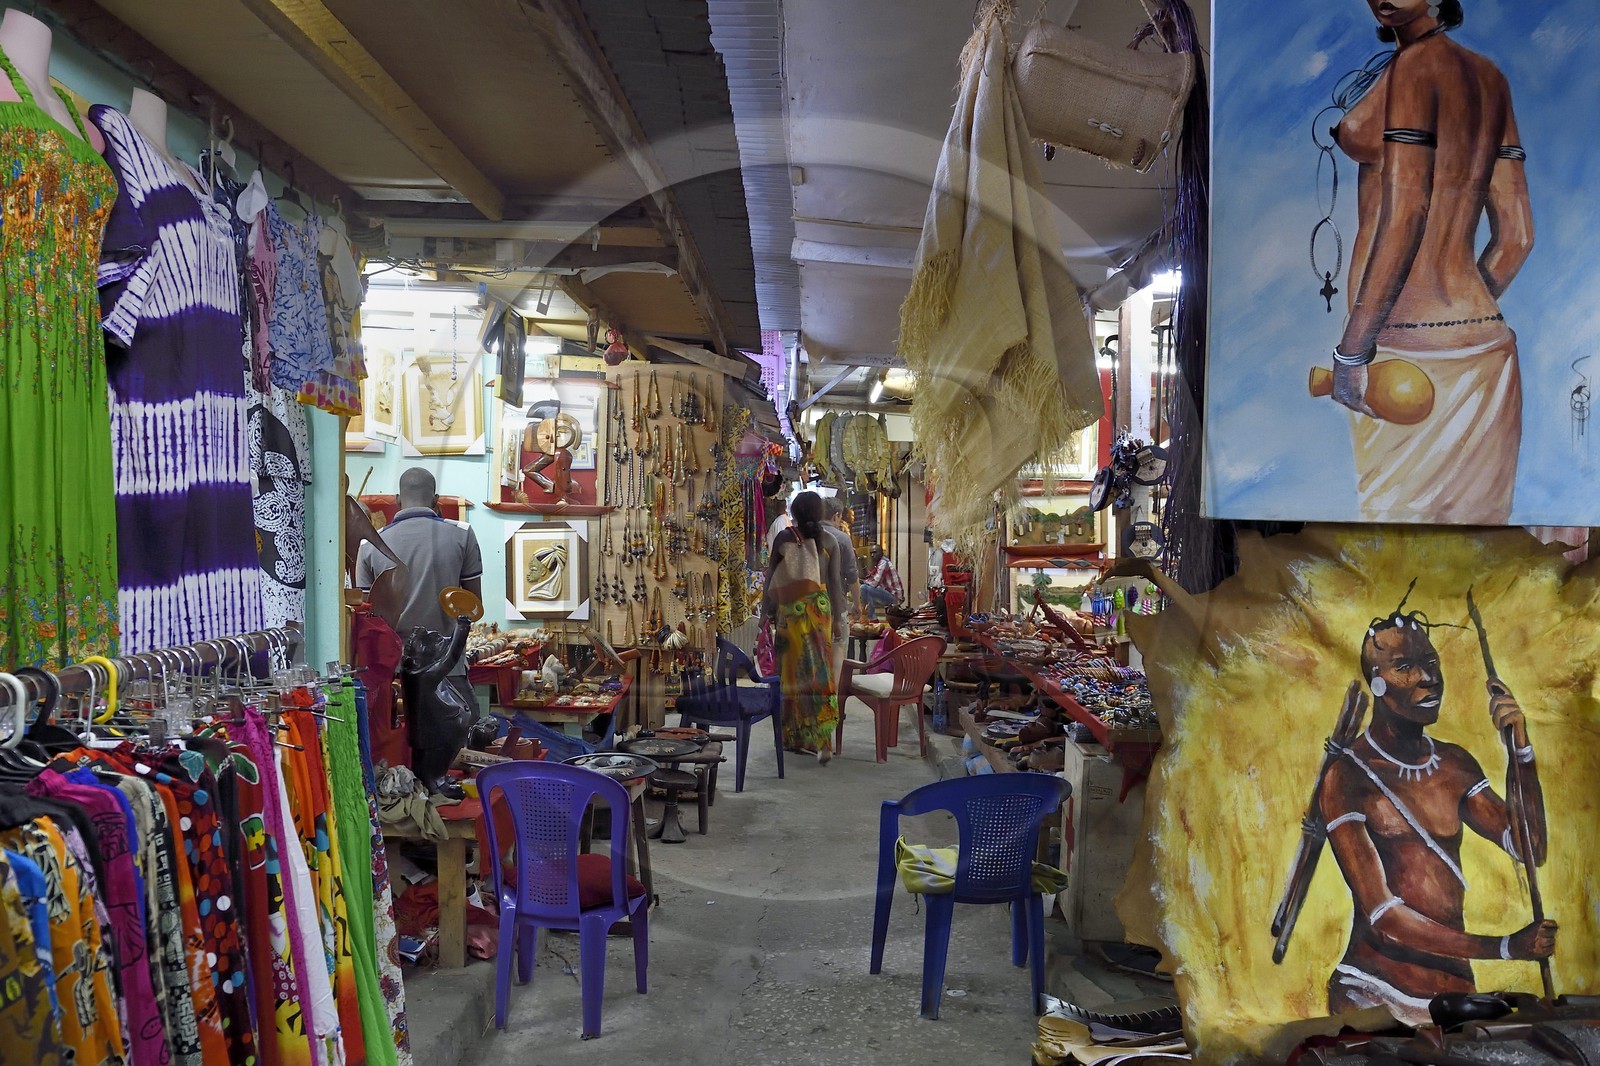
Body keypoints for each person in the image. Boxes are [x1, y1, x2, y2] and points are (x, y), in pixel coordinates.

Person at [1327, 0, 1532, 523]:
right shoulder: (1491, 78)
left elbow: (1406, 214)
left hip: (1404, 359)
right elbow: (1517, 238)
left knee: (1396, 564)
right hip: (1488, 350)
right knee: (1475, 556)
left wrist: (1353, 354)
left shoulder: (1417, 67)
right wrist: (1459, 300)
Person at [1315, 593, 1554, 1024]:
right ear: (1377, 681)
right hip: (1376, 992)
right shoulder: (1347, 776)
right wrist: (1503, 948)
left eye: (1431, 662)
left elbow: (1530, 849)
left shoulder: (1455, 765)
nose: (1428, 678)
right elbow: (1385, 915)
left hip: (1454, 997)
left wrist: (1521, 751)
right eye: (1405, 666)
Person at [356, 468, 484, 797]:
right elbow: (473, 606)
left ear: (398, 501)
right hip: (446, 673)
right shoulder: (463, 535)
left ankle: (410, 837)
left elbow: (362, 617)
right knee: (449, 753)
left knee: (394, 767)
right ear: (436, 499)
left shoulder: (370, 545)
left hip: (390, 681)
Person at [761, 491, 847, 763]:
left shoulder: (784, 538)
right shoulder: (830, 541)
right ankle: (823, 739)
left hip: (791, 614)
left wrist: (766, 614)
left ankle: (793, 737)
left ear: (795, 513)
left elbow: (771, 579)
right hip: (820, 612)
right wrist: (838, 620)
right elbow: (835, 584)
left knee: (791, 676)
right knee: (819, 673)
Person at [860, 544, 905, 619]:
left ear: (881, 553)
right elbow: (870, 577)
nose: (872, 555)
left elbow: (875, 583)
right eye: (871, 553)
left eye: (874, 552)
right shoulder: (879, 563)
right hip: (891, 595)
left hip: (894, 598)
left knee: (864, 588)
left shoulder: (884, 562)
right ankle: (869, 616)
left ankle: (871, 618)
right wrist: (863, 566)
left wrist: (863, 582)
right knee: (865, 588)